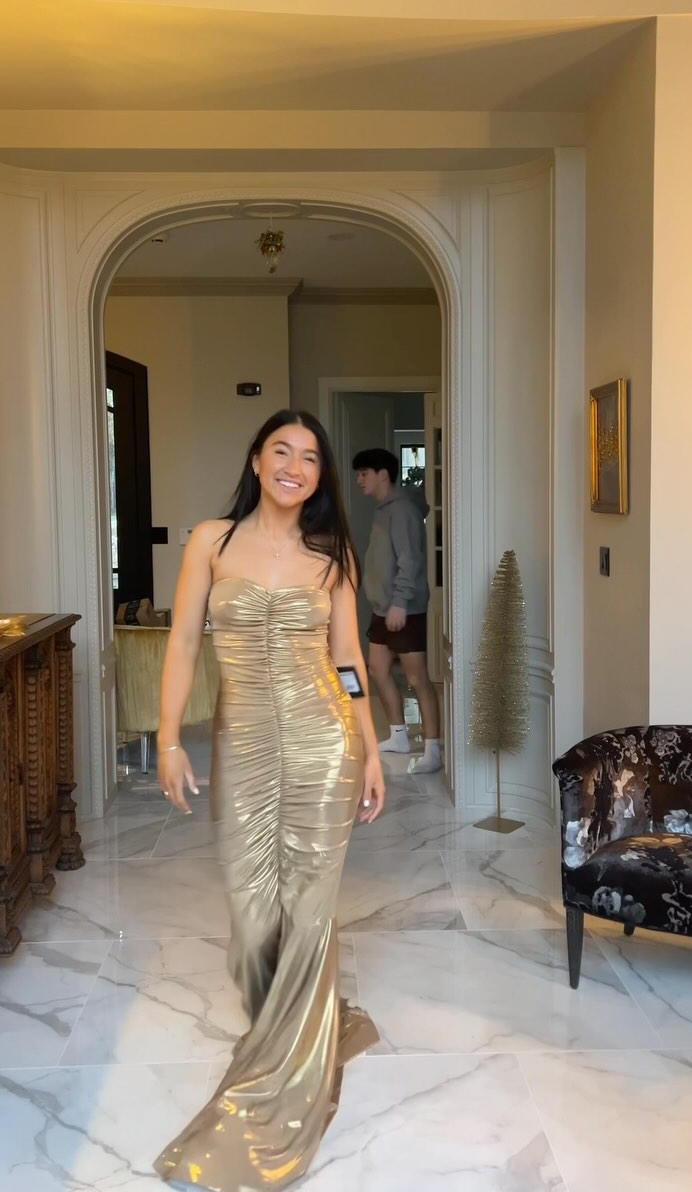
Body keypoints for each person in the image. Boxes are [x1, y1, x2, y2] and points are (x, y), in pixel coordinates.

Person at [153, 409, 385, 1192]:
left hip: (325, 741)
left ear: (320, 477)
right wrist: (168, 738)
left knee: (309, 909)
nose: (294, 466)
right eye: (281, 451)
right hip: (244, 742)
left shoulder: (332, 553)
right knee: (253, 916)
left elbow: (347, 658)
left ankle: (289, 1067)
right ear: (256, 460)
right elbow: (184, 641)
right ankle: (290, 1026)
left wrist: (370, 746)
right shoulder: (211, 542)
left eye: (310, 458)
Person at [353, 446, 442, 775]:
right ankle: (398, 736)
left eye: (364, 473)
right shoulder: (383, 510)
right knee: (377, 669)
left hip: (405, 609)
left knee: (417, 678)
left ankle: (433, 750)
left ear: (382, 475)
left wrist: (401, 602)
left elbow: (411, 559)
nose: (359, 480)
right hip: (383, 608)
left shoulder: (402, 510)